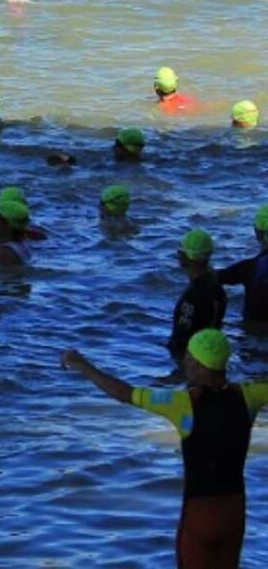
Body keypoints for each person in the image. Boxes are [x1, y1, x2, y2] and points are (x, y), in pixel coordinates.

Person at [64, 331, 266, 569]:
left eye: (189, 357)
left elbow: (125, 393)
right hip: (234, 512)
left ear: (200, 364)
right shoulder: (250, 396)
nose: (185, 362)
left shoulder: (183, 404)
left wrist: (82, 365)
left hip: (199, 514)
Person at [174, 229, 229, 370]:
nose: (177, 253)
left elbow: (181, 339)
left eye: (180, 250)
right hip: (210, 353)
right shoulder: (216, 286)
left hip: (195, 361)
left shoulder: (193, 296)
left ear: (185, 256)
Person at [214, 208, 268, 323]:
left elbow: (213, 278)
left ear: (257, 233)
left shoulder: (249, 268)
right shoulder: (250, 268)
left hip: (253, 332)